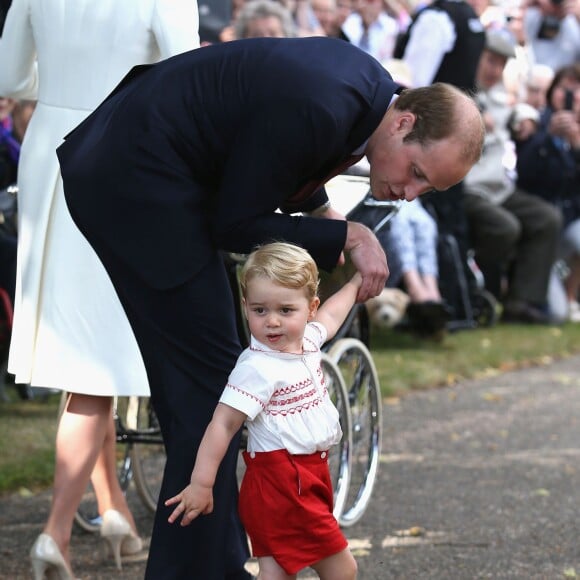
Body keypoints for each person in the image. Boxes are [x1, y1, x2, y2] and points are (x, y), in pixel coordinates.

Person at [56, 36, 484, 579]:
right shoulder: (324, 105)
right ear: (404, 124)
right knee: (218, 396)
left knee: (215, 391)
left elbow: (275, 158)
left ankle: (216, 565)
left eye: (428, 189)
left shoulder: (360, 93)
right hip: (137, 178)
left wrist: (325, 213)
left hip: (137, 165)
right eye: (418, 173)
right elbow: (235, 223)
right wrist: (346, 235)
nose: (409, 193)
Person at [0, 1, 199, 579]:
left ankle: (114, 511)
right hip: (124, 147)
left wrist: (62, 78)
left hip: (49, 148)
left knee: (89, 347)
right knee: (95, 355)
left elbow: (9, 76)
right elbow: (184, 77)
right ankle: (55, 531)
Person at [166, 241, 359, 580]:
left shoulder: (309, 342)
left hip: (308, 474)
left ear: (309, 308)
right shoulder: (257, 367)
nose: (272, 322)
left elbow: (332, 314)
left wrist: (356, 285)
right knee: (342, 569)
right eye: (260, 310)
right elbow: (223, 424)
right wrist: (201, 483)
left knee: (277, 571)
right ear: (245, 307)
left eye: (286, 311)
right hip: (281, 482)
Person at [463, 28, 562, 324]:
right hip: (468, 189)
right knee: (506, 227)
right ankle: (474, 287)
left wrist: (524, 116)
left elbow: (514, 112)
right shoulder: (460, 91)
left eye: (500, 64)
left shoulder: (498, 98)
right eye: (490, 61)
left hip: (500, 189)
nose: (494, 70)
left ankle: (522, 302)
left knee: (547, 219)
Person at [515, 63, 580, 322]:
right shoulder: (534, 122)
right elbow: (524, 172)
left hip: (566, 227)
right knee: (556, 315)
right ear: (553, 90)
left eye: (576, 91)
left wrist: (577, 149)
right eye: (565, 88)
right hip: (539, 229)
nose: (570, 96)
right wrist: (547, 138)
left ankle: (571, 294)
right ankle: (546, 297)